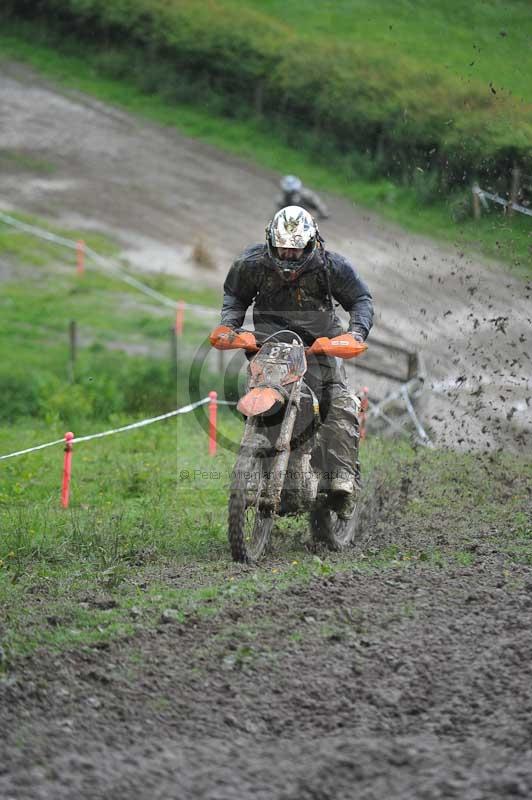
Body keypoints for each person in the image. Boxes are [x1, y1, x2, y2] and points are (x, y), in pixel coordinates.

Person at [218, 205, 373, 518]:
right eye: (283, 250)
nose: (288, 257)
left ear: (311, 243)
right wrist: (231, 327)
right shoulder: (252, 263)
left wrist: (355, 334)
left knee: (338, 403)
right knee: (260, 397)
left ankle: (342, 479)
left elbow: (360, 300)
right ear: (272, 243)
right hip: (271, 347)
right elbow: (234, 295)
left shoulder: (332, 267)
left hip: (320, 346)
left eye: (295, 250)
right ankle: (265, 462)